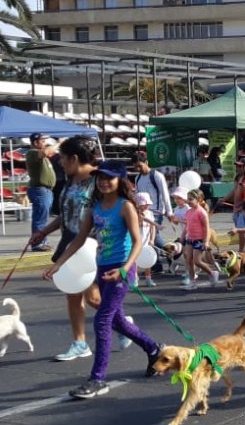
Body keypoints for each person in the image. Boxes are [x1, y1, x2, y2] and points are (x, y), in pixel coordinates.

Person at [44, 161, 162, 400]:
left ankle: (98, 379)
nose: (104, 182)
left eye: (109, 178)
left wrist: (125, 269)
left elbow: (138, 241)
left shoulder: (125, 206)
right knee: (117, 320)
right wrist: (58, 264)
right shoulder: (96, 207)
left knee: (102, 320)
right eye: (100, 178)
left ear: (120, 181)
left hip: (121, 271)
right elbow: (78, 240)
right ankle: (154, 349)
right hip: (103, 269)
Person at [31, 136, 100, 362]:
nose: (59, 162)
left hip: (92, 247)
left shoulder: (99, 180)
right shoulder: (70, 181)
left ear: (74, 158)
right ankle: (80, 342)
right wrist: (43, 231)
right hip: (69, 243)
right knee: (72, 295)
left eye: (62, 158)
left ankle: (122, 325)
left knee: (93, 299)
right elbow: (67, 213)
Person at [132, 151, 171, 251]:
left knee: (154, 237)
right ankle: (158, 262)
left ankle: (173, 250)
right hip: (143, 213)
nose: (138, 169)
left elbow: (165, 194)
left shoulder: (156, 176)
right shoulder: (137, 178)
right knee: (146, 237)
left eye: (140, 166)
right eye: (135, 167)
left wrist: (169, 212)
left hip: (156, 212)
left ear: (146, 162)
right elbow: (137, 196)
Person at [181, 189, 218, 290]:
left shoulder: (202, 212)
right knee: (188, 260)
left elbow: (207, 228)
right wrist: (183, 235)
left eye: (191, 199)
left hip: (199, 239)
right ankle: (192, 282)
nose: (188, 201)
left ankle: (212, 272)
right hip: (190, 239)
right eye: (187, 199)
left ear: (199, 199)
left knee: (197, 261)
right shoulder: (188, 212)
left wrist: (206, 241)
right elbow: (187, 225)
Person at [26, 133, 58, 252]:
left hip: (45, 190)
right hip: (40, 189)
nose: (45, 143)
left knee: (42, 217)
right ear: (35, 143)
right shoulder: (33, 153)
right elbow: (45, 152)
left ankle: (41, 241)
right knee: (40, 218)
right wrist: (59, 143)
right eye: (43, 141)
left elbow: (48, 153)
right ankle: (37, 243)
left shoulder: (40, 155)